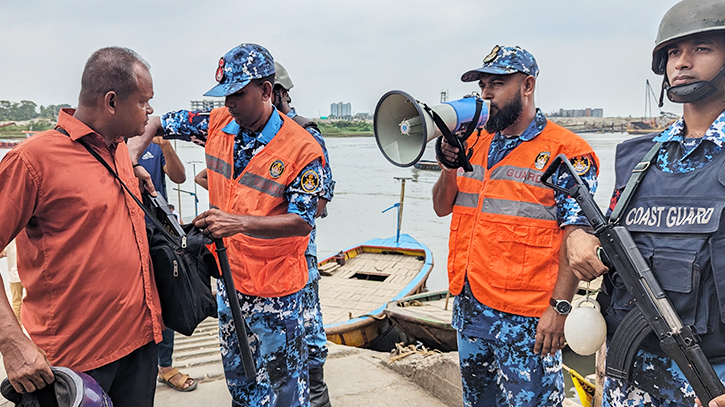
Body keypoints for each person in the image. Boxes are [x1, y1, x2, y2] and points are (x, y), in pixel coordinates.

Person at [134, 43, 325, 407]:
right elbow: (157, 122)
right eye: (225, 95)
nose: (229, 103)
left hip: (277, 293)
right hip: (231, 283)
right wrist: (132, 152)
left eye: (238, 94)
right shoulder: (220, 123)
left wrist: (237, 222)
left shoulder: (302, 148)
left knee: (285, 389)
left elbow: (303, 221)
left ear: (266, 91)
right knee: (241, 384)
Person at [565, 1, 725, 406]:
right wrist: (581, 239)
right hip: (626, 373)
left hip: (708, 383)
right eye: (673, 52)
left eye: (702, 48)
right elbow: (617, 230)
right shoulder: (636, 157)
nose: (682, 63)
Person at [432, 45, 599, 407]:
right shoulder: (473, 142)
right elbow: (442, 207)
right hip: (471, 307)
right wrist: (448, 165)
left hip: (528, 320)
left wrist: (560, 308)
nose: (487, 94)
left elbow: (576, 236)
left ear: (527, 85)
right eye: (483, 86)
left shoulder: (566, 152)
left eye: (497, 83)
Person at [0, 47, 163, 407]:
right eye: (143, 102)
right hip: (76, 365)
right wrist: (13, 345)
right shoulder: (33, 161)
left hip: (139, 349)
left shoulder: (118, 149)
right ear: (111, 102)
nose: (150, 111)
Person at [272, 61, 335, 407]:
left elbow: (320, 203)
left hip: (297, 252)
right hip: (258, 259)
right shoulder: (253, 136)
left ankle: (316, 396)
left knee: (308, 326)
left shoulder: (305, 134)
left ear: (278, 93)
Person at [138, 139, 196, 392]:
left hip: (158, 231)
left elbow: (180, 177)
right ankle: (138, 369)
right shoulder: (108, 145)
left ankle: (165, 365)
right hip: (124, 233)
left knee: (166, 295)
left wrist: (166, 146)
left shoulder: (153, 146)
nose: (146, 112)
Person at [1, 239, 22, 324]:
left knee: (16, 302)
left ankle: (19, 326)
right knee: (32, 302)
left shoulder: (9, 238)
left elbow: (2, 253)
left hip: (14, 275)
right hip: (27, 273)